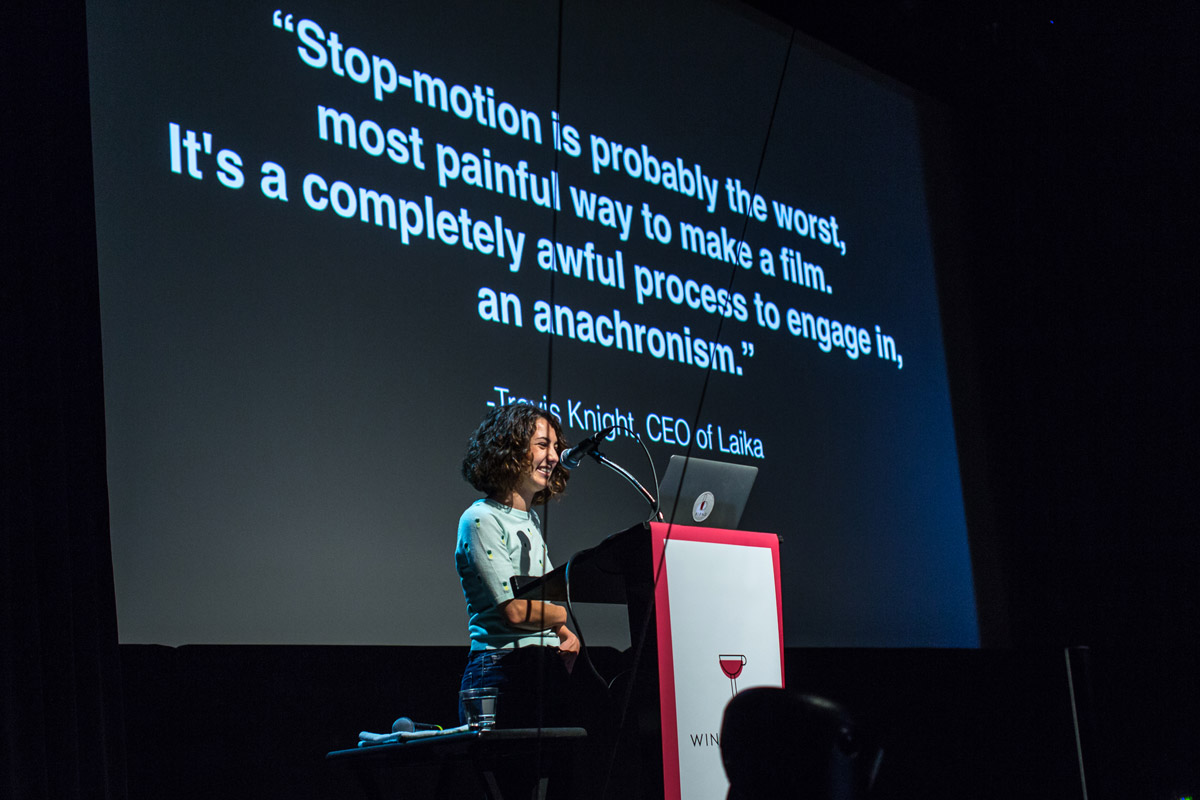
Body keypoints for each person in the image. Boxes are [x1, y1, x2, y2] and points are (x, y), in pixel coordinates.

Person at [455, 402, 582, 729]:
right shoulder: (481, 518)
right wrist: (561, 616)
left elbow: (540, 598)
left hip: (540, 668)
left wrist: (563, 633)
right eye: (543, 445)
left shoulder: (530, 521)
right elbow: (513, 611)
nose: (554, 456)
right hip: (501, 670)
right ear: (510, 450)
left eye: (556, 447)